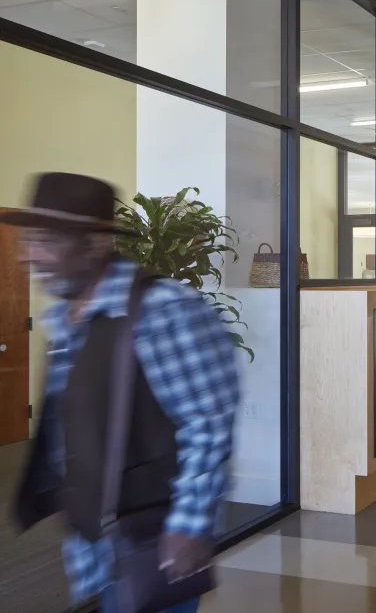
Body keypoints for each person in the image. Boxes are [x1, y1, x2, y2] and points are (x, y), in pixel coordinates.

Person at [3, 173, 240, 613]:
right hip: (92, 540)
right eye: (27, 239)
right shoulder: (63, 318)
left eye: (44, 240)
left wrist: (189, 527)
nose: (26, 255)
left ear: (94, 244)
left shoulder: (164, 310)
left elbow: (207, 425)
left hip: (154, 540)